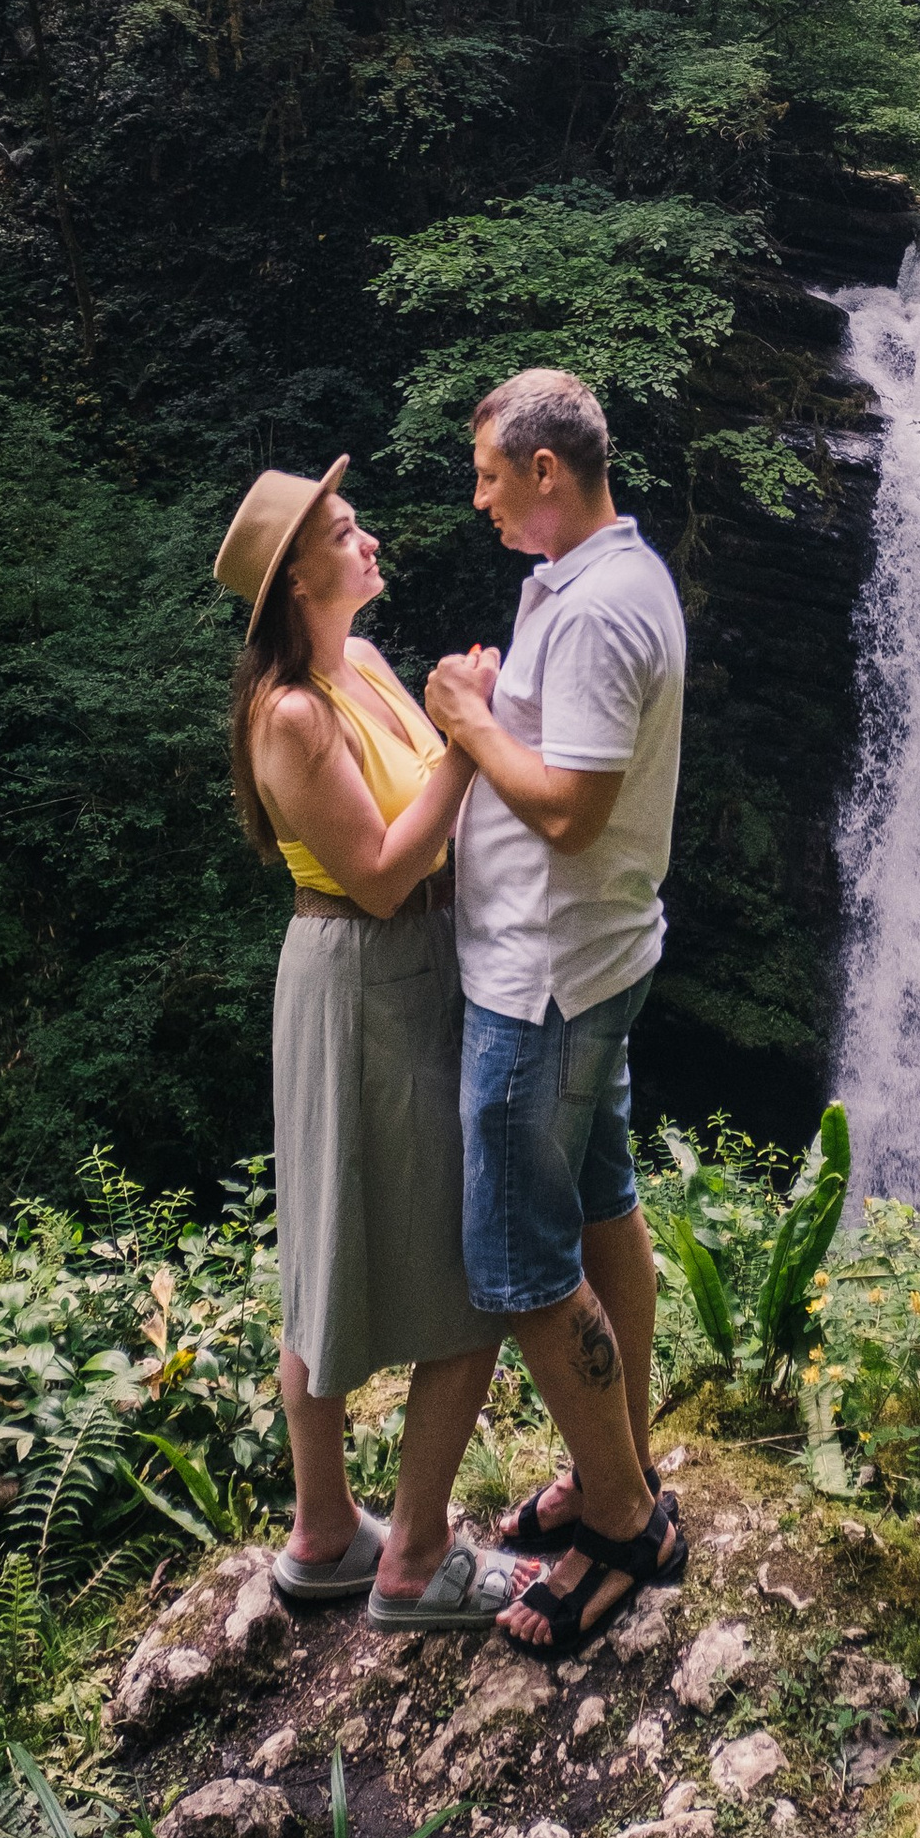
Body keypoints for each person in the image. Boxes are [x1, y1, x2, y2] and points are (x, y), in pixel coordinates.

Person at [215, 461, 517, 1633]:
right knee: (438, 1255)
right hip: (360, 979)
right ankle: (412, 1559)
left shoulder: (367, 668)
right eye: (346, 532)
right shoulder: (290, 714)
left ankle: (328, 1534)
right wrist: (467, 738)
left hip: (418, 976)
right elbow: (386, 874)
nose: (370, 538)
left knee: (362, 1241)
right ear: (298, 575)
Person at [421, 368, 692, 1655]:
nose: (474, 498)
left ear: (544, 470)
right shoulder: (604, 580)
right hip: (600, 957)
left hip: (542, 984)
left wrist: (469, 722)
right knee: (604, 1204)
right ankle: (614, 1466)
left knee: (528, 1270)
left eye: (487, 473)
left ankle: (623, 1527)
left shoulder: (593, 616)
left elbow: (571, 810)